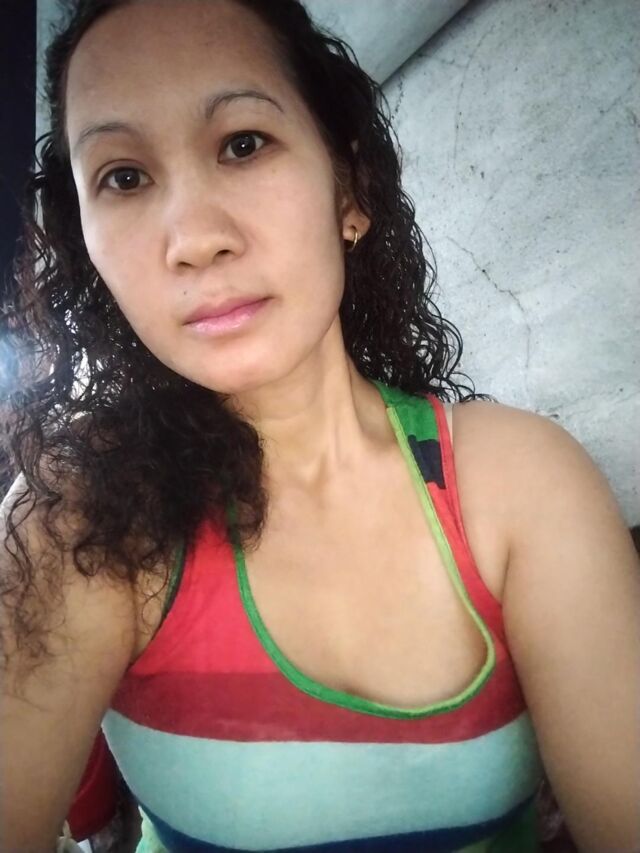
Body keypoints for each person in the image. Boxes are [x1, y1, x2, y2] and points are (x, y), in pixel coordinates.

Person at [0, 1, 638, 851]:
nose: (194, 239)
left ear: (350, 189)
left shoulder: (522, 486)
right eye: (123, 177)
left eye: (242, 143)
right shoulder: (79, 515)